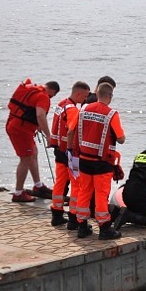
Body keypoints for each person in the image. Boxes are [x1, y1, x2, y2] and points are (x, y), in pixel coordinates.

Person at [68, 82, 125, 240]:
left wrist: (70, 151)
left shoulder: (83, 109)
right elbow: (120, 139)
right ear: (110, 96)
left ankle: (82, 226)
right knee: (101, 195)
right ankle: (105, 228)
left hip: (84, 159)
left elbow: (71, 131)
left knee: (83, 192)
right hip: (102, 163)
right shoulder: (111, 114)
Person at [6, 78, 60, 202]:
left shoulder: (32, 90)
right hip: (21, 130)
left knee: (33, 152)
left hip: (15, 124)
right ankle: (18, 193)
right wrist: (48, 135)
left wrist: (38, 126)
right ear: (52, 90)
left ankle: (38, 185)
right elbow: (40, 115)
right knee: (26, 158)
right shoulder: (43, 96)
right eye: (53, 95)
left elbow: (30, 112)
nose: (51, 98)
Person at [49, 81, 90, 227]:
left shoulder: (61, 104)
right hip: (69, 152)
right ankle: (73, 217)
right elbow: (72, 131)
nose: (85, 100)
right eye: (84, 96)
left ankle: (56, 213)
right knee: (76, 184)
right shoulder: (72, 110)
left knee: (60, 182)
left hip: (58, 149)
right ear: (78, 94)